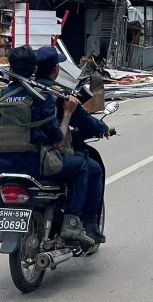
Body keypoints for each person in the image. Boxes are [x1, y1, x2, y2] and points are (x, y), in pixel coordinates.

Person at [0, 45, 95, 247]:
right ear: (34, 69)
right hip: (36, 166)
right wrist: (68, 113)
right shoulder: (41, 98)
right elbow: (56, 138)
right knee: (82, 165)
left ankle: (2, 221)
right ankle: (72, 222)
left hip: (0, 167)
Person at [35, 46, 110, 244]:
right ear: (55, 70)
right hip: (46, 158)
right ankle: (83, 223)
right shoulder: (59, 96)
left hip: (12, 160)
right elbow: (84, 122)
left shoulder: (18, 93)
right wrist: (103, 128)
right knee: (88, 167)